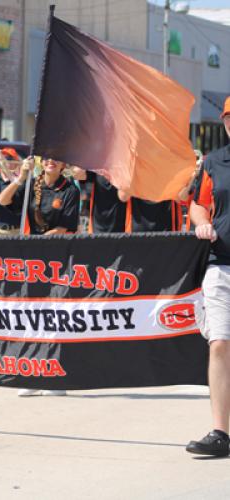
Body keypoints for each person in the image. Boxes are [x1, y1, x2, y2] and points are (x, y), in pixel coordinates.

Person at [0, 156, 80, 397]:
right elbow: (3, 200)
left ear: (64, 164)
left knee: (56, 314)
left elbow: (63, 228)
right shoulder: (32, 184)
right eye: (45, 159)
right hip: (32, 260)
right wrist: (20, 178)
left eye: (56, 159)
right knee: (33, 314)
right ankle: (34, 373)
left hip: (58, 258)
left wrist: (39, 242)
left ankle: (56, 376)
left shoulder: (69, 190)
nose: (50, 162)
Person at [186, 96, 230, 457]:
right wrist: (201, 223)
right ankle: (220, 432)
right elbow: (197, 203)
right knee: (219, 343)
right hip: (222, 264)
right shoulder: (215, 162)